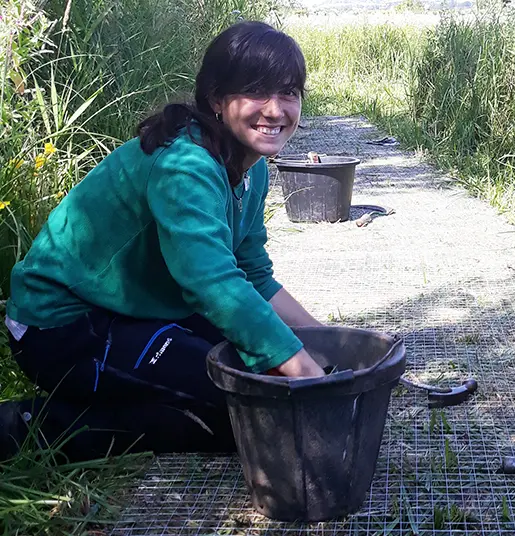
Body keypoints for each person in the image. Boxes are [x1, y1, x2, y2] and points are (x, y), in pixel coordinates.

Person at [0, 21, 326, 462]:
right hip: (62, 324)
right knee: (243, 411)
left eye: (288, 93)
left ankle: (128, 389)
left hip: (135, 311)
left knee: (264, 367)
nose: (275, 110)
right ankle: (26, 426)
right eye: (256, 92)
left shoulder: (253, 165)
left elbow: (252, 275)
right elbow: (211, 283)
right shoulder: (186, 165)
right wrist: (301, 366)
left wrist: (324, 342)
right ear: (216, 99)